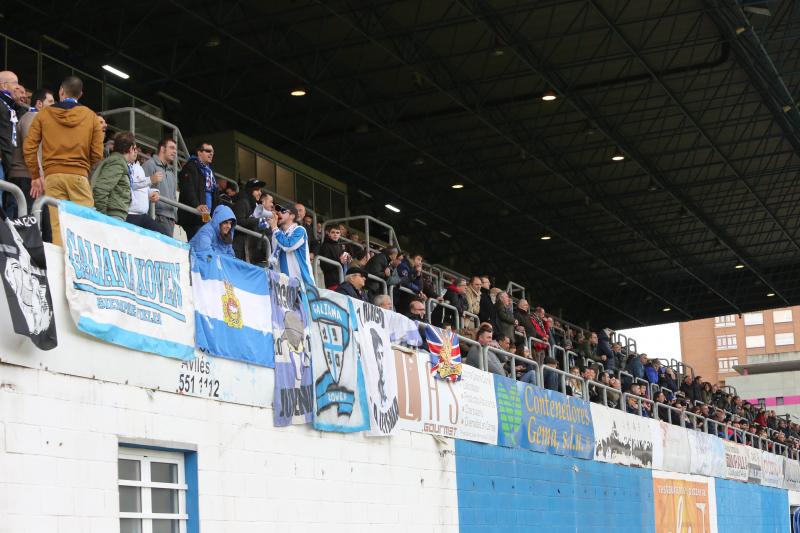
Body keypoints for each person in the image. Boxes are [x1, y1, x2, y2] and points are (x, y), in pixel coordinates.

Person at [23, 75, 103, 246]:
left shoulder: (44, 114)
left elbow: (29, 146)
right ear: (80, 94)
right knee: (84, 226)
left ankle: (62, 270)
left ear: (61, 91)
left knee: (57, 226)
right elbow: (97, 153)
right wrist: (83, 167)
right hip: (79, 177)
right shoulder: (91, 117)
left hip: (52, 177)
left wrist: (36, 175)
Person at [7, 87, 54, 237]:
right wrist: (38, 176)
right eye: (51, 102)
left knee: (42, 227)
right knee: (28, 227)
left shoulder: (39, 121)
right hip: (27, 179)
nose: (54, 106)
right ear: (40, 104)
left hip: (33, 179)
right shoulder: (31, 117)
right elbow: (30, 147)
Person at [91, 131, 139, 221]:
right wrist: (102, 217)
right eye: (135, 148)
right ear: (130, 149)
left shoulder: (118, 162)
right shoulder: (117, 162)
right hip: (112, 217)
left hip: (114, 215)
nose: (136, 152)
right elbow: (100, 190)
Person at [178, 142, 216, 240]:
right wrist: (196, 205)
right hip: (194, 218)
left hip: (206, 218)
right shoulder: (191, 167)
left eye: (212, 152)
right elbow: (188, 189)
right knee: (197, 247)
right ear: (199, 152)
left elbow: (214, 195)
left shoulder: (210, 172)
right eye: (208, 151)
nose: (211, 153)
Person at [270, 204, 315, 288]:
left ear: (292, 216)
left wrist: (274, 228)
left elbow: (288, 246)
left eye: (283, 211)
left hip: (303, 284)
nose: (279, 213)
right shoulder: (276, 233)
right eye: (278, 211)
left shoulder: (300, 230)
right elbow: (276, 257)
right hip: (283, 285)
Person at [142, 137, 178, 237]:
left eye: (175, 149)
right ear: (162, 149)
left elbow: (174, 197)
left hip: (170, 219)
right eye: (171, 148)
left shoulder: (171, 173)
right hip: (157, 216)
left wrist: (174, 217)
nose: (174, 152)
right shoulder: (149, 165)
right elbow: (142, 189)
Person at [125, 156, 163, 233]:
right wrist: (150, 179)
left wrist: (153, 192)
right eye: (133, 149)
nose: (135, 152)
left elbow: (143, 188)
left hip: (143, 215)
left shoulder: (139, 167)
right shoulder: (123, 165)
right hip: (130, 214)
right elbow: (130, 183)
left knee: (161, 234)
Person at [232, 178, 265, 260]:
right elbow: (238, 222)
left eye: (260, 190)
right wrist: (257, 221)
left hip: (246, 246)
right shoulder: (243, 202)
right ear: (250, 190)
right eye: (257, 190)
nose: (260, 193)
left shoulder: (253, 204)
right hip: (237, 244)